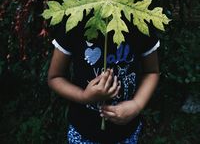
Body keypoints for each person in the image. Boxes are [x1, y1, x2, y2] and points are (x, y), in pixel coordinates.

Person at [48, 15, 160, 144]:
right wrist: (84, 96)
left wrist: (137, 105)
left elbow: (152, 72)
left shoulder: (139, 21)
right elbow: (55, 77)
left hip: (126, 132)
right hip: (82, 131)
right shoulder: (75, 21)